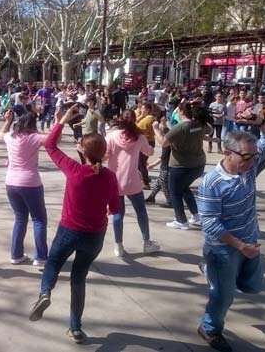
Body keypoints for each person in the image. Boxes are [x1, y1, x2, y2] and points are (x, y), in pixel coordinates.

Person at [28, 106, 120, 345]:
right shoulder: (110, 177)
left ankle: (45, 292)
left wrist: (62, 121)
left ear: (83, 150)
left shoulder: (75, 171)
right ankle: (76, 328)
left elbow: (49, 145)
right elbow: (116, 208)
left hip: (69, 230)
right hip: (95, 236)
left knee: (54, 264)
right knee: (79, 279)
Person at [195, 124, 265, 352]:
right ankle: (209, 328)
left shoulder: (249, 168)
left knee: (252, 287)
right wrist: (241, 246)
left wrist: (260, 121)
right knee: (223, 296)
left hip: (250, 242)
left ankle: (209, 271)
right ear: (227, 153)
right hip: (224, 249)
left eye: (254, 156)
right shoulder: (211, 183)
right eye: (246, 157)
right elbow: (210, 223)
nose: (252, 161)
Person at [106, 109, 160, 256]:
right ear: (135, 120)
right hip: (133, 181)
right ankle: (146, 242)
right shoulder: (140, 137)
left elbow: (104, 156)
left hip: (114, 181)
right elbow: (149, 152)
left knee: (118, 214)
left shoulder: (111, 137)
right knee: (141, 212)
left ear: (120, 120)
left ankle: (119, 246)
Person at [0, 110, 48, 266]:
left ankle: (16, 254)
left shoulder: (10, 137)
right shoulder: (35, 138)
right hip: (30, 182)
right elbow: (54, 139)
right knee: (39, 219)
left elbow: (1, 133)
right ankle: (40, 257)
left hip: (11, 183)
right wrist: (59, 120)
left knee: (20, 218)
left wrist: (7, 120)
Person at [154, 101, 213, 230]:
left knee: (175, 192)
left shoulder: (181, 127)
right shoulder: (199, 124)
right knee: (184, 187)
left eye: (177, 110)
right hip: (198, 164)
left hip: (181, 166)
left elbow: (163, 143)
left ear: (181, 112)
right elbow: (210, 129)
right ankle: (196, 214)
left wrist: (156, 129)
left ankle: (181, 221)